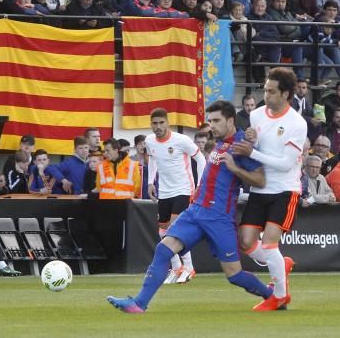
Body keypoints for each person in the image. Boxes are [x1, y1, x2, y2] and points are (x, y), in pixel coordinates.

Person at [107, 100, 275, 314]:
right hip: (196, 211)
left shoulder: (242, 145)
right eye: (210, 121)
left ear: (231, 120)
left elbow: (260, 180)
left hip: (219, 217)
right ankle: (139, 303)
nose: (211, 126)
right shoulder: (221, 143)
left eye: (216, 121)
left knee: (234, 275)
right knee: (163, 249)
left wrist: (234, 167)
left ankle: (272, 295)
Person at [234, 67, 305, 311]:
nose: (266, 95)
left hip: (285, 190)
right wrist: (251, 139)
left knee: (269, 243)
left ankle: (279, 296)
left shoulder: (297, 123)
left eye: (272, 92)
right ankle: (280, 264)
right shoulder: (256, 115)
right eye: (265, 90)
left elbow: (286, 164)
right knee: (245, 242)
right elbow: (256, 144)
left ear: (286, 94)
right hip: (260, 188)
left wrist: (252, 151)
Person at [144, 107, 207, 284]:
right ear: (151, 124)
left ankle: (189, 266)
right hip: (164, 191)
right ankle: (176, 267)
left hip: (183, 189)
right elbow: (153, 159)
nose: (158, 126)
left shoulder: (181, 140)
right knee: (162, 231)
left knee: (174, 229)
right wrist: (150, 182)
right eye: (155, 123)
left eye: (161, 122)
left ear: (167, 122)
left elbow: (200, 158)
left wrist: (200, 184)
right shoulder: (150, 141)